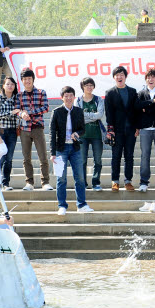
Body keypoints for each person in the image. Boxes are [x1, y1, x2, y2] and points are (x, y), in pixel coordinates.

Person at [50, 86, 93, 215]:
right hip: (61, 149)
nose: (68, 98)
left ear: (74, 97)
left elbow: (83, 129)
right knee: (61, 179)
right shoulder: (56, 112)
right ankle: (62, 205)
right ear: (62, 97)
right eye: (66, 96)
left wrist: (77, 134)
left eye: (71, 95)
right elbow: (52, 133)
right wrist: (52, 153)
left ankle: (82, 204)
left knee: (79, 177)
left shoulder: (79, 111)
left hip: (75, 149)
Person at [15, 68, 52, 191]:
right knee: (26, 158)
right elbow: (16, 110)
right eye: (25, 79)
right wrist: (21, 114)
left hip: (38, 128)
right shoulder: (19, 95)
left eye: (29, 79)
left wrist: (29, 113)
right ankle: (29, 183)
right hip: (24, 129)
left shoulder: (41, 92)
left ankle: (45, 182)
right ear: (22, 81)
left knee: (43, 157)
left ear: (33, 79)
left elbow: (45, 107)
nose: (27, 81)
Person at [105, 66, 139, 192]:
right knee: (116, 156)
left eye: (121, 74)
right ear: (114, 77)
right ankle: (115, 181)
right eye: (117, 75)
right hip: (117, 130)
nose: (119, 77)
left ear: (125, 76)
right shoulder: (110, 93)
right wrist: (110, 129)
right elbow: (109, 113)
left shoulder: (132, 91)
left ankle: (128, 181)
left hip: (130, 129)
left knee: (129, 156)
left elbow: (136, 110)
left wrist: (137, 127)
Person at [76, 77, 105, 192]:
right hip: (82, 134)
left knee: (97, 160)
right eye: (86, 85)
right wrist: (92, 117)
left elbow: (100, 115)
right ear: (82, 87)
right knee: (82, 160)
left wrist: (85, 116)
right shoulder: (78, 100)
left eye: (91, 85)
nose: (89, 87)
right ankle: (83, 183)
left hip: (97, 135)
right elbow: (78, 116)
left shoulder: (98, 99)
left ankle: (96, 182)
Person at [0, 76, 19, 191]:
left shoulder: (17, 99)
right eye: (7, 84)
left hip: (12, 131)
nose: (10, 86)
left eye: (12, 84)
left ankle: (6, 183)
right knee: (1, 157)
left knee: (9, 158)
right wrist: (11, 112)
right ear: (3, 86)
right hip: (2, 131)